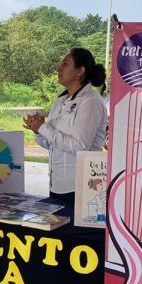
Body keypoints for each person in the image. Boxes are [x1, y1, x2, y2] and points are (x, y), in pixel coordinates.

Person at [23, 48, 108, 215]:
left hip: (80, 188)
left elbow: (78, 146)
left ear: (80, 71)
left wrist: (43, 127)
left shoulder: (90, 101)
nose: (58, 68)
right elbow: (52, 144)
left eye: (65, 64)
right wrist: (38, 130)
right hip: (57, 186)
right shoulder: (61, 100)